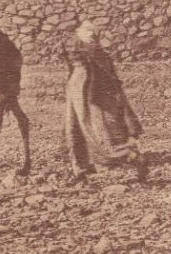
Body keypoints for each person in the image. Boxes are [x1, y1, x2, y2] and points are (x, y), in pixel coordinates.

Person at [62, 20, 148, 183]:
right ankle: (78, 169)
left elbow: (108, 81)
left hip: (86, 93)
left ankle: (132, 156)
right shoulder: (88, 52)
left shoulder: (95, 53)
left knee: (95, 133)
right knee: (73, 128)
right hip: (76, 89)